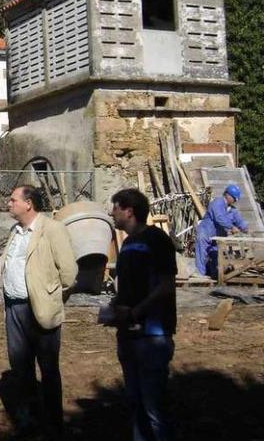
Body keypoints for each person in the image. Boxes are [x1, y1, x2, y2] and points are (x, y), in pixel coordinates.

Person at [2, 185, 77, 440]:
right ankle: (28, 421)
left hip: (40, 310)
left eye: (13, 200)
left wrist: (52, 297)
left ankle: (54, 425)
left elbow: (69, 273)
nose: (8, 204)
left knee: (48, 369)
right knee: (20, 368)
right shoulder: (16, 231)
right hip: (14, 308)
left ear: (28, 204)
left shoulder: (52, 230)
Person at [109, 188, 177, 441]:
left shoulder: (156, 240)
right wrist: (116, 307)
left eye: (115, 208)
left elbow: (165, 286)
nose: (112, 213)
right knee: (135, 403)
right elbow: (129, 287)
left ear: (128, 211)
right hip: (128, 334)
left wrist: (136, 312)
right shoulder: (126, 244)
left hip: (152, 335)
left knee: (154, 408)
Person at [195, 184, 248, 279]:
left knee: (216, 256)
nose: (235, 201)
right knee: (202, 253)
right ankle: (199, 275)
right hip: (205, 232)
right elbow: (219, 218)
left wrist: (245, 228)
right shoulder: (217, 203)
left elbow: (239, 221)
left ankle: (216, 275)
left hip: (218, 237)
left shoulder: (232, 210)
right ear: (228, 195)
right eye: (234, 198)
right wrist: (231, 227)